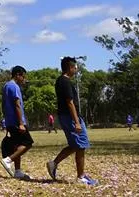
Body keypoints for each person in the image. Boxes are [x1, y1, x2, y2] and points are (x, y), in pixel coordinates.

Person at [47, 56, 97, 186]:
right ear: (69, 67)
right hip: (70, 117)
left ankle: (54, 163)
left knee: (75, 145)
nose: (76, 70)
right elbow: (70, 102)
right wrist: (77, 121)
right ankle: (81, 177)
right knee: (81, 144)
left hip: (66, 116)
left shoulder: (60, 81)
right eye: (75, 67)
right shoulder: (65, 82)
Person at [0, 65, 33, 180]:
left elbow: (3, 105)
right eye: (23, 77)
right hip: (16, 122)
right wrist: (21, 123)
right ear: (17, 75)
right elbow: (17, 104)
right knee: (28, 143)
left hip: (9, 121)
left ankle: (18, 171)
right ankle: (8, 160)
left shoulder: (6, 86)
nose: (24, 79)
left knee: (17, 146)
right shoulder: (14, 87)